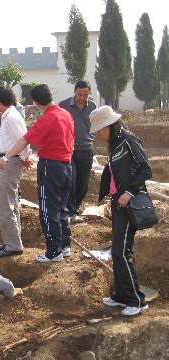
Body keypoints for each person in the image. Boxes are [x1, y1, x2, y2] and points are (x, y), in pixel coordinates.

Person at [0, 84, 74, 263]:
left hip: (50, 166)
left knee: (47, 210)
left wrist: (6, 158)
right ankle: (65, 245)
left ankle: (53, 252)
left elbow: (24, 140)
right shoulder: (66, 115)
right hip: (67, 165)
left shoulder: (48, 118)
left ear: (35, 102)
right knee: (62, 207)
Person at [89, 106, 152, 316]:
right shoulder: (115, 144)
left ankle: (136, 300)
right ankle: (120, 295)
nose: (98, 134)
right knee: (117, 251)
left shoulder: (129, 141)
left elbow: (145, 169)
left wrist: (129, 192)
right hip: (118, 202)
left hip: (128, 203)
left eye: (99, 129)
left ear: (109, 125)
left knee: (121, 252)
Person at [0, 87, 31, 257]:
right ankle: (12, 241)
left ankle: (13, 245)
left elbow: (23, 140)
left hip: (8, 163)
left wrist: (23, 158)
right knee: (10, 203)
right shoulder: (8, 116)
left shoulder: (12, 118)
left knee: (5, 206)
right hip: (8, 161)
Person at [59, 81, 97, 223]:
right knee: (71, 181)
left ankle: (73, 209)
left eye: (85, 95)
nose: (82, 97)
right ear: (74, 92)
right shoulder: (63, 105)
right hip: (68, 151)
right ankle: (70, 212)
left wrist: (92, 136)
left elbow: (97, 125)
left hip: (87, 150)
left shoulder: (93, 107)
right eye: (79, 94)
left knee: (83, 185)